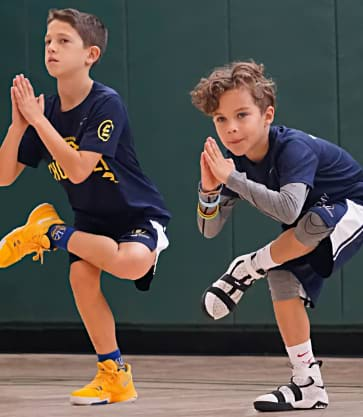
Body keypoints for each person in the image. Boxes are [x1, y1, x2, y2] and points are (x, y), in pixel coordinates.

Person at [0, 8, 170, 406]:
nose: (52, 49)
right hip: (91, 219)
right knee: (82, 281)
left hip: (136, 214)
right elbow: (4, 176)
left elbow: (78, 170)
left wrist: (39, 123)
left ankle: (47, 232)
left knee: (130, 266)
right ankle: (114, 376)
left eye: (63, 41)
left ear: (90, 54)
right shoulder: (46, 112)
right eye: (48, 42)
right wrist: (19, 126)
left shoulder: (105, 103)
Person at [190, 61, 363, 412]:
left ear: (267, 115)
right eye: (221, 120)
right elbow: (208, 229)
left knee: (313, 222)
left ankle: (245, 269)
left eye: (241, 115)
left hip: (351, 206)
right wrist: (208, 191)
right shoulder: (233, 165)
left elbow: (287, 209)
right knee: (282, 277)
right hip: (307, 223)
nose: (231, 128)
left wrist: (231, 180)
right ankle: (307, 384)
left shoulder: (293, 147)